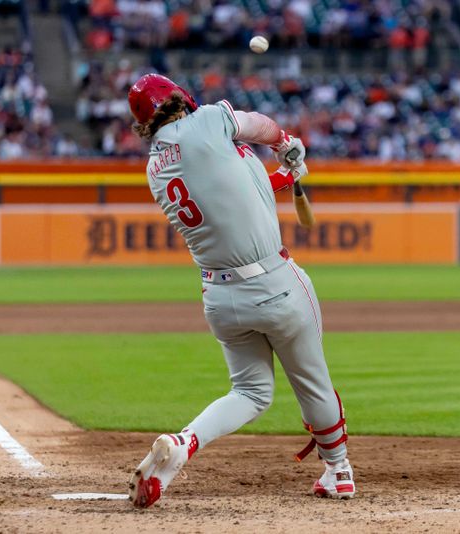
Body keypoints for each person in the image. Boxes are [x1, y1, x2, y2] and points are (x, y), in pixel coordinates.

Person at [127, 74, 354, 508]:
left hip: (221, 297)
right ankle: (338, 469)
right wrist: (286, 140)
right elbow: (259, 124)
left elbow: (239, 195)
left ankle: (184, 442)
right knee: (314, 384)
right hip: (276, 283)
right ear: (179, 98)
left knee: (249, 392)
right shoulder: (209, 121)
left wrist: (284, 176)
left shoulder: (156, 168)